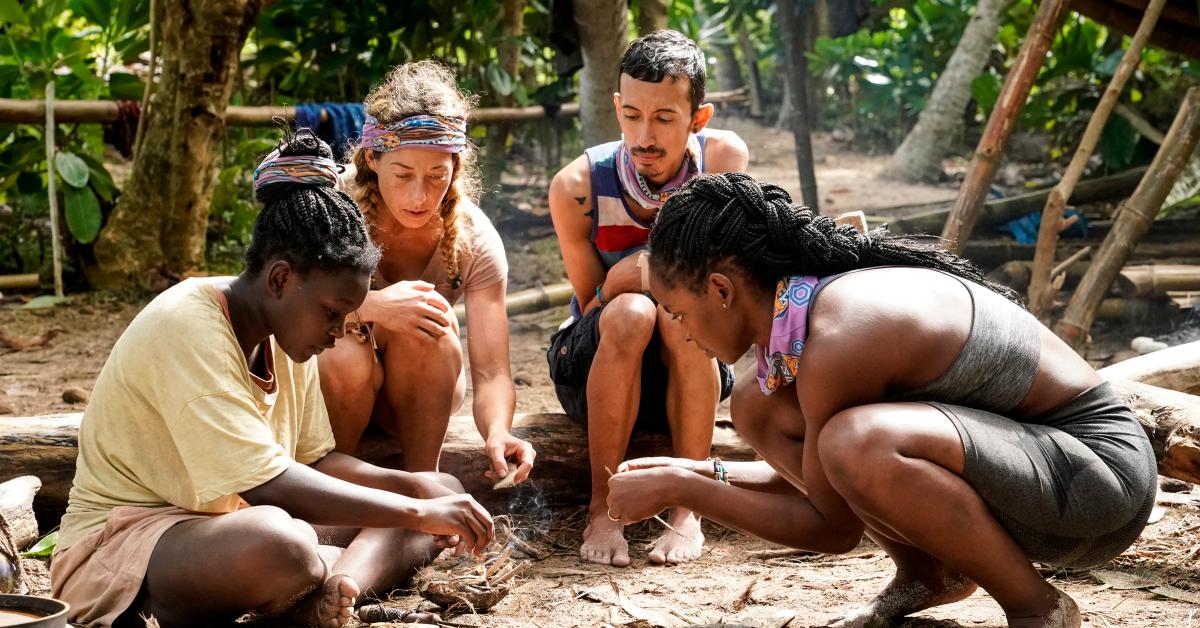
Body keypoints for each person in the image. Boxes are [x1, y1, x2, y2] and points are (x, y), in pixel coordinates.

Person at [606, 173, 1157, 627]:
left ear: (722, 291)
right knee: (757, 404)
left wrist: (684, 490)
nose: (680, 333)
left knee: (857, 442)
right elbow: (820, 483)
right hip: (1041, 477)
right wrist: (705, 471)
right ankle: (929, 576)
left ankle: (1038, 609)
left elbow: (832, 524)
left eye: (678, 314)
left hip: (1097, 487)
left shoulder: (839, 335)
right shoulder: (807, 316)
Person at [50, 131, 495, 628]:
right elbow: (267, 485)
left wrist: (415, 488)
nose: (339, 332)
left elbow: (316, 461)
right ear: (280, 279)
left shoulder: (286, 335)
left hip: (231, 525)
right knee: (282, 542)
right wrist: (413, 514)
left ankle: (334, 589)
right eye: (331, 313)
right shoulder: (188, 324)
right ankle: (312, 580)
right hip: (130, 543)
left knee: (436, 487)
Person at [546, 29, 750, 568]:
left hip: (692, 358)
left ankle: (688, 508)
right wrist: (649, 277)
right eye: (632, 115)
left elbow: (719, 290)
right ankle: (603, 509)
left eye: (663, 118)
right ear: (616, 108)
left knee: (684, 315)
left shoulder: (723, 161)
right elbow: (596, 299)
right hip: (592, 366)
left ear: (697, 119)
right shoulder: (579, 186)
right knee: (634, 310)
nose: (644, 136)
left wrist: (638, 269)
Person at [320, 60, 535, 487]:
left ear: (455, 167)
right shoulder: (328, 206)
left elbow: (492, 371)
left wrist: (498, 430)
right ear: (372, 159)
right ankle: (329, 489)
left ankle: (424, 486)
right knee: (344, 350)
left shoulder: (474, 238)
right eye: (403, 175)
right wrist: (376, 307)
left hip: (416, 395)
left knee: (432, 329)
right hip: (332, 388)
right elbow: (282, 308)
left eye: (437, 176)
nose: (420, 196)